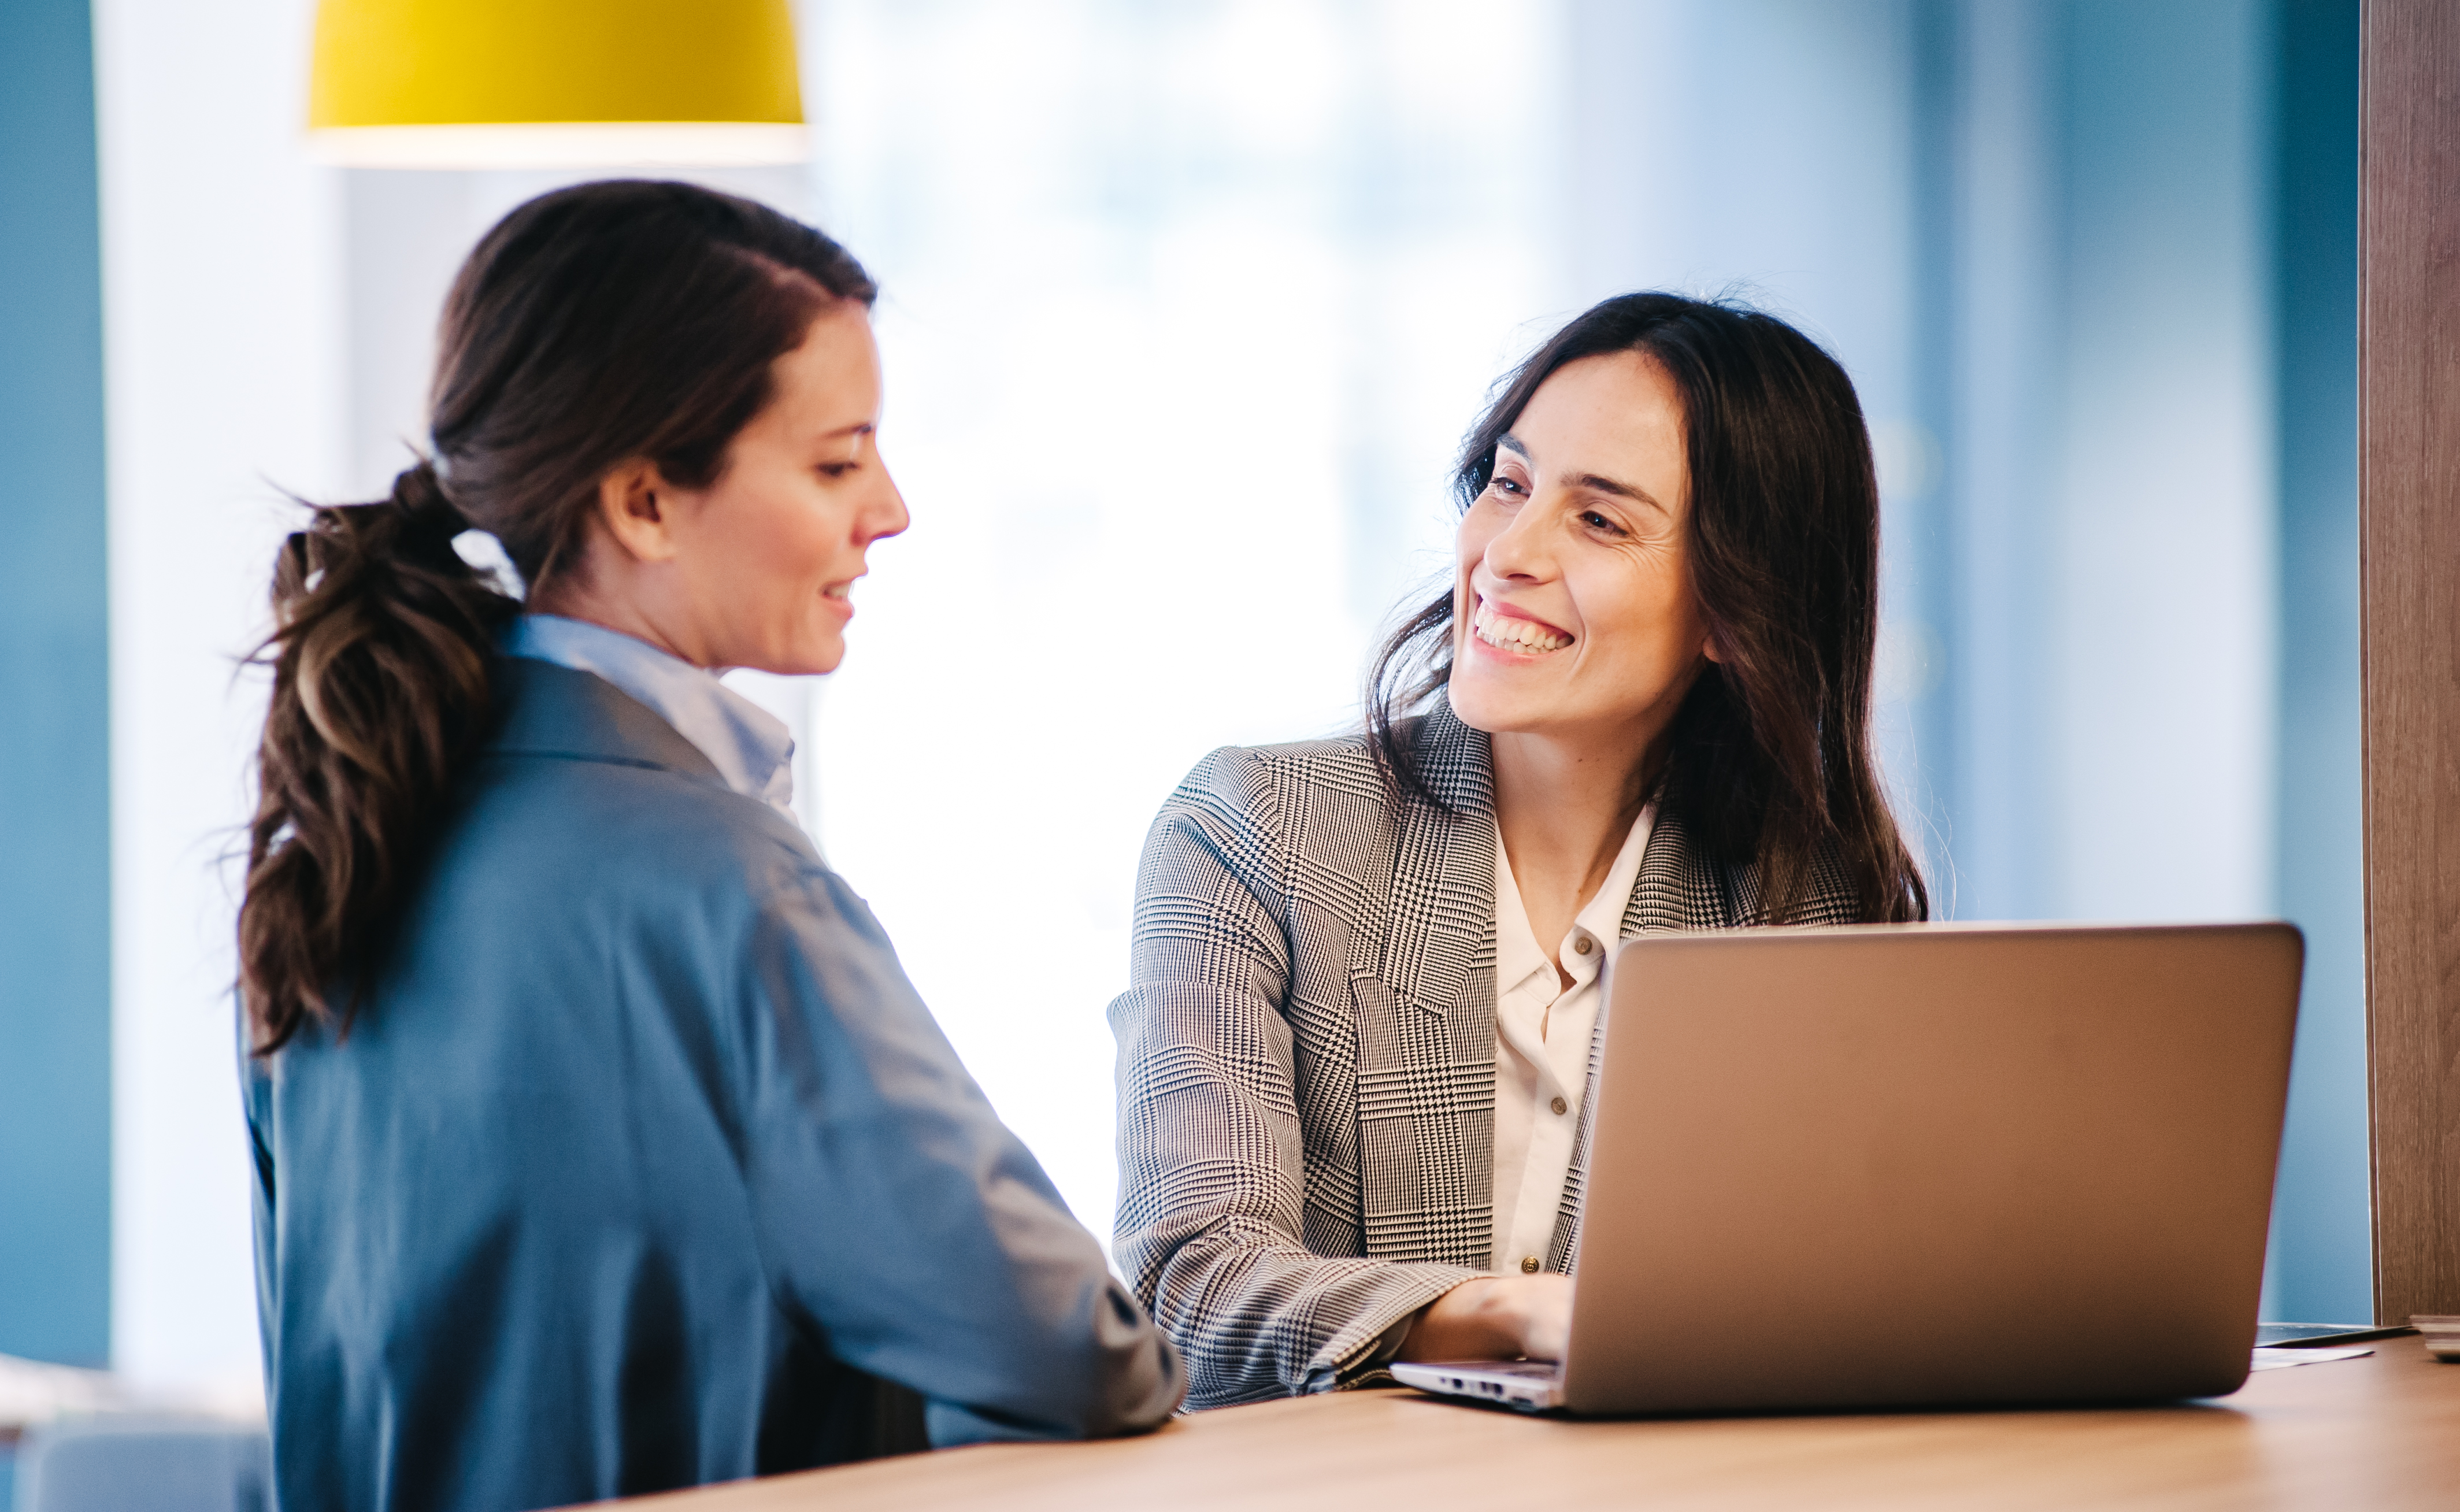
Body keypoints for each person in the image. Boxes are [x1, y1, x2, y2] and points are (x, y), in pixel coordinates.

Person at [239, 180, 1184, 1512]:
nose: (892, 509)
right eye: (837, 460)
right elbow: (1078, 1356)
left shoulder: (337, 854)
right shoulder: (731, 889)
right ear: (644, 501)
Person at [1110, 291, 1929, 1409]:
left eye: (1599, 520)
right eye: (1509, 482)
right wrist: (1510, 1313)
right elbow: (1189, 1284)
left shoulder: (1807, 903)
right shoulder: (1252, 829)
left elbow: (1850, 1302)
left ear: (1733, 612)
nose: (1507, 551)